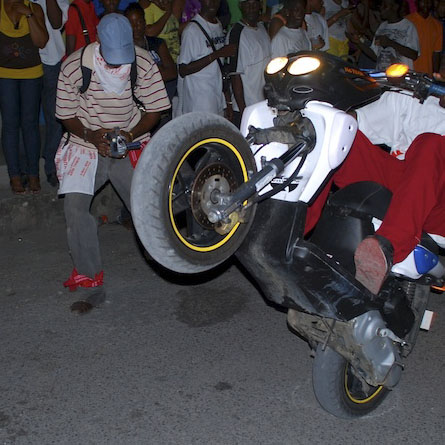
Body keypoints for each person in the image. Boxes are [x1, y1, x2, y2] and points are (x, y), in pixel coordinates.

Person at [55, 13, 170, 313]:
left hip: (127, 141)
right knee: (75, 210)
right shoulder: (74, 67)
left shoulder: (143, 63)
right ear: (98, 42)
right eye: (113, 57)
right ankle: (91, 279)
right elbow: (66, 115)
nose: (120, 65)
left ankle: (171, 260)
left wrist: (130, 134)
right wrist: (92, 136)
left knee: (147, 205)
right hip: (85, 144)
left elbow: (155, 109)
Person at [305, 90, 445, 295]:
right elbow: (350, 123)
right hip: (404, 193)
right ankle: (290, 233)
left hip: (438, 211)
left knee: (432, 144)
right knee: (331, 131)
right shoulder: (414, 99)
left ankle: (388, 250)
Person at [0, 0, 49, 194]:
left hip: (31, 74)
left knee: (30, 125)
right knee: (10, 125)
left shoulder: (34, 8)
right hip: (4, 74)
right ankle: (14, 176)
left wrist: (28, 15)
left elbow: (41, 42)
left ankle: (33, 174)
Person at [177, 0, 236, 116]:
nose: (212, 3)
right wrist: (217, 54)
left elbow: (219, 67)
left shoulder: (218, 25)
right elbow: (183, 69)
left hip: (217, 97)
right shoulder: (191, 30)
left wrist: (227, 101)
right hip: (198, 102)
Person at [35, 0, 70, 188]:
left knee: (55, 118)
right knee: (25, 119)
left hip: (52, 59)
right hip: (24, 60)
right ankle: (28, 169)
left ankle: (51, 167)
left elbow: (56, 22)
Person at [226, 0, 271, 126]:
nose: (251, 7)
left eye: (254, 3)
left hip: (263, 105)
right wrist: (244, 113)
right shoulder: (237, 33)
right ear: (241, 6)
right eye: (247, 4)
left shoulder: (262, 28)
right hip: (246, 108)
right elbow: (235, 76)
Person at [353, 0, 419, 70]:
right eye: (381, 5)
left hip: (401, 77)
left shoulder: (408, 26)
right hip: (382, 76)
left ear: (395, 7)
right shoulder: (382, 26)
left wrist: (390, 43)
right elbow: (375, 55)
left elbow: (413, 55)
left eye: (385, 6)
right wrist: (359, 43)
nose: (381, 8)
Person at [407, 0, 442, 75]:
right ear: (416, 3)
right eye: (422, 1)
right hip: (409, 72)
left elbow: (436, 54)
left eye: (428, 1)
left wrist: (435, 75)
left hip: (427, 75)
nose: (426, 3)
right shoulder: (407, 21)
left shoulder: (437, 25)